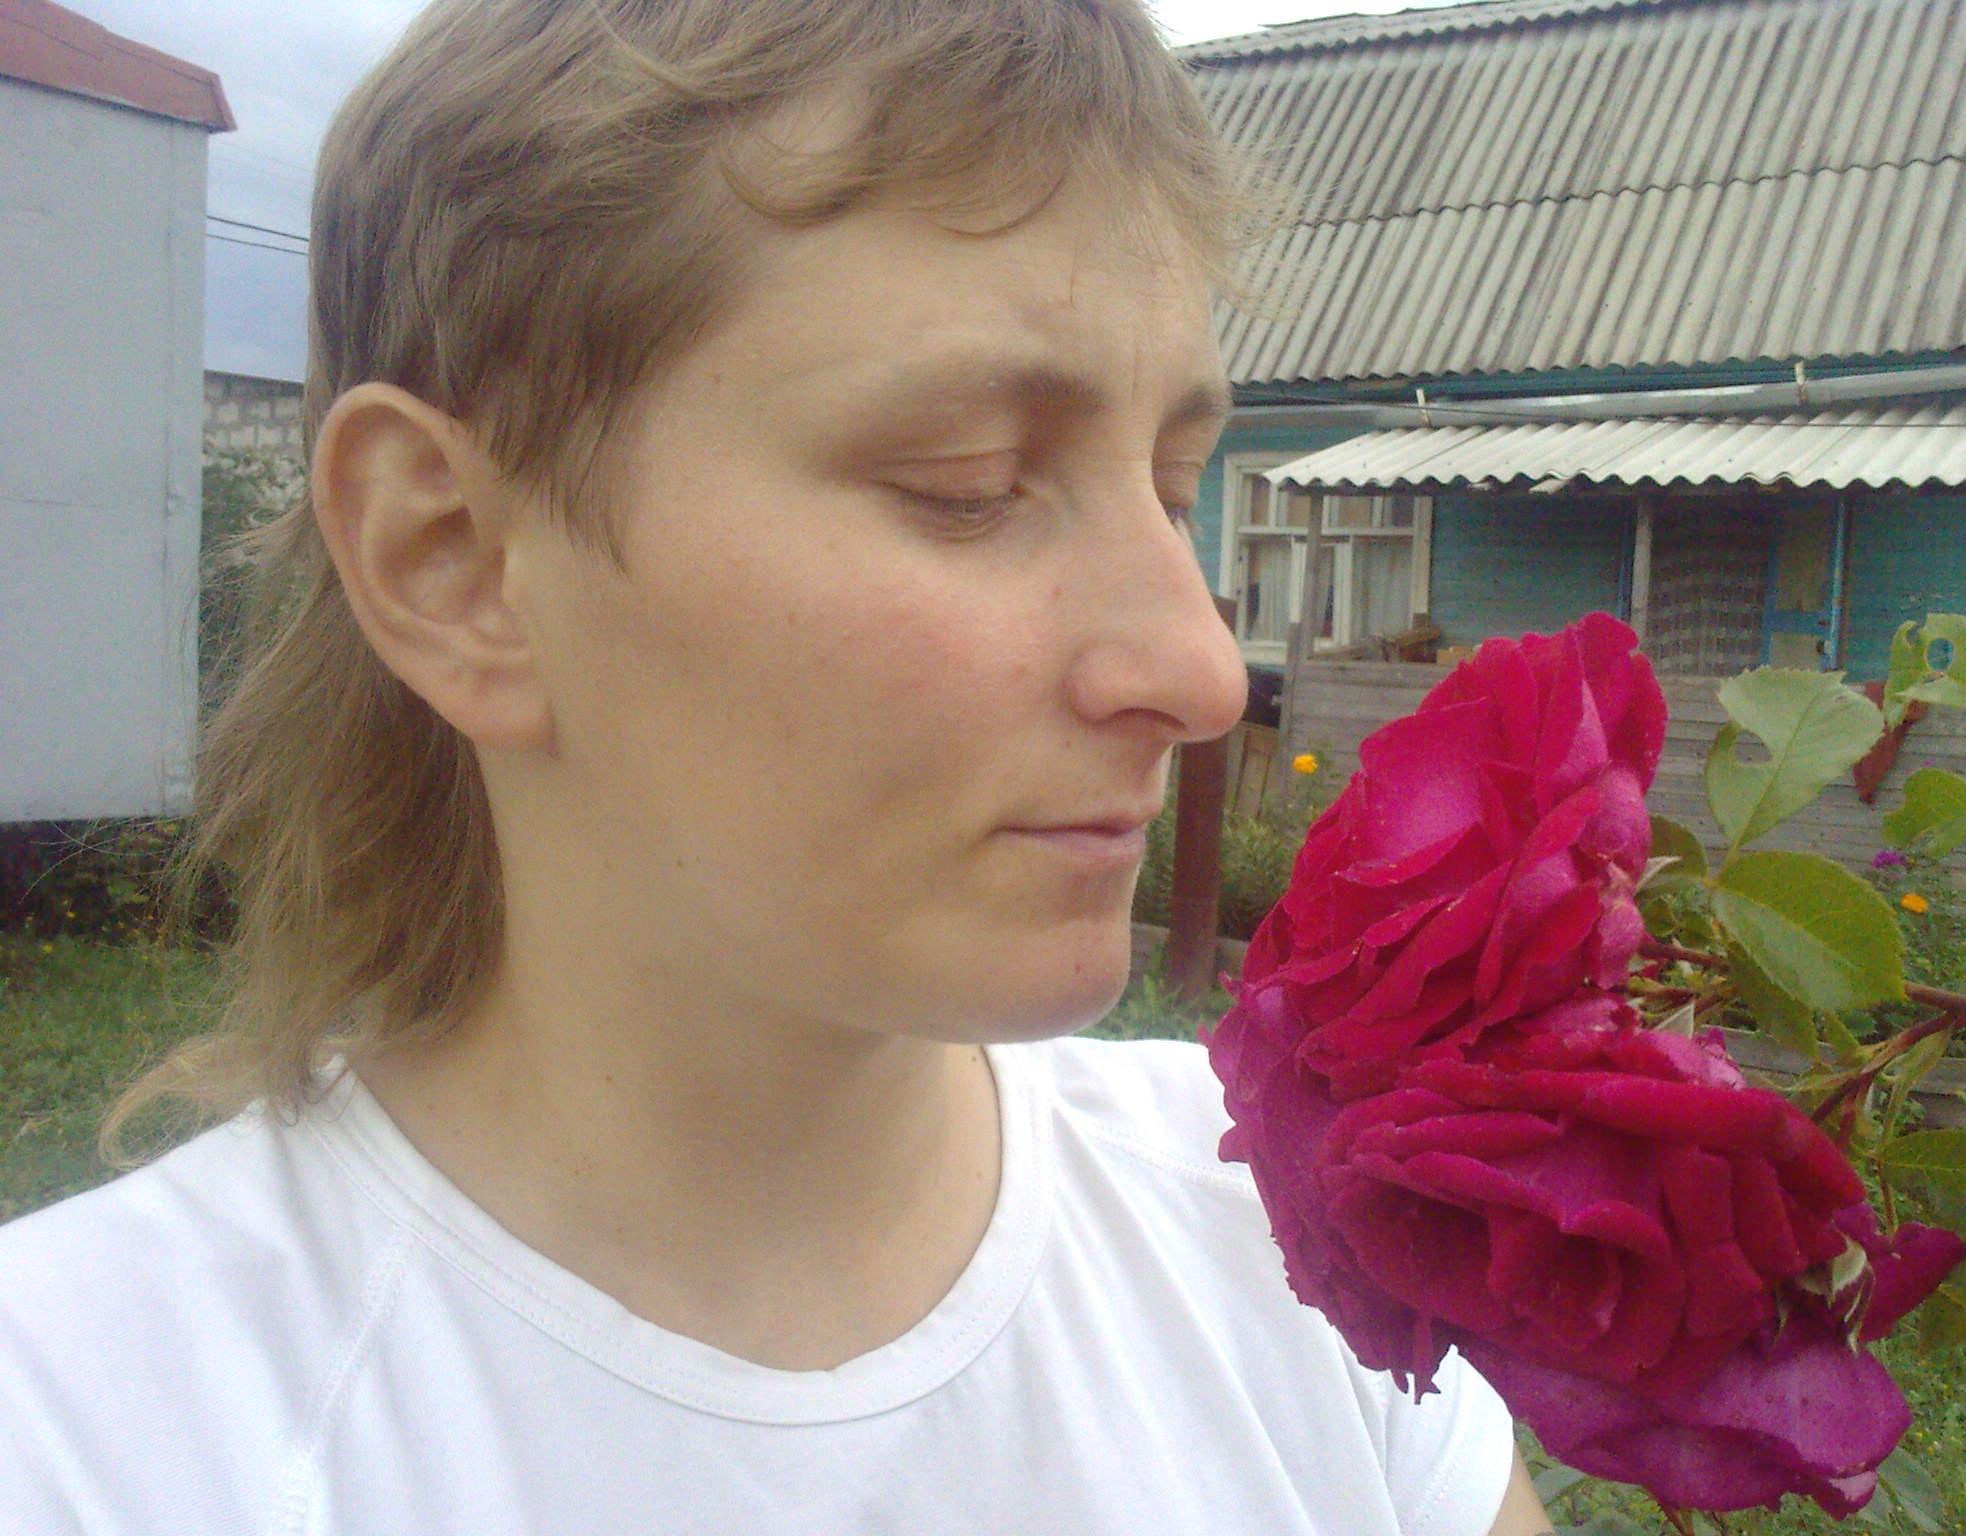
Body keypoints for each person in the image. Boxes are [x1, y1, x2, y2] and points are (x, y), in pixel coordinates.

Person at [0, 2, 1552, 1530]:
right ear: (454, 562)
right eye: (969, 484)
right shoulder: (89, 1438)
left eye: (1173, 481)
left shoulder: (1284, 1239)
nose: (1202, 672)